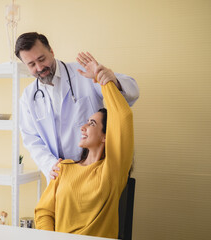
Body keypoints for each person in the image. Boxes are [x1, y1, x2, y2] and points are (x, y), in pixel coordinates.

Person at [34, 52, 134, 238]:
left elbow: (123, 116)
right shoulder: (63, 168)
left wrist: (102, 79)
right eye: (87, 121)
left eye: (92, 123)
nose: (83, 127)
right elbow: (44, 212)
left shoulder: (111, 170)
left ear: (106, 136)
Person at [15, 32, 139, 180]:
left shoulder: (84, 73)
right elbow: (31, 139)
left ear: (51, 52)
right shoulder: (28, 97)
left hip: (94, 171)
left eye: (42, 59)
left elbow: (133, 91)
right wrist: (49, 164)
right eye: (32, 64)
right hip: (60, 175)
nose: (40, 67)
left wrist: (112, 80)